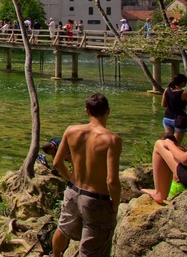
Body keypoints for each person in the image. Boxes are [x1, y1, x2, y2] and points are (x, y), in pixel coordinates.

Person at [52, 93, 122, 257]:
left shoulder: (71, 131)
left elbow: (57, 162)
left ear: (87, 111)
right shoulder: (112, 140)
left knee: (63, 229)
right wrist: (115, 203)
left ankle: (55, 255)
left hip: (73, 191)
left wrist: (70, 177)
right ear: (108, 111)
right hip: (95, 199)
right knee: (93, 244)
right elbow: (112, 180)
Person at [161, 74, 187, 145]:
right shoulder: (184, 93)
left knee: (168, 143)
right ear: (183, 82)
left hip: (167, 118)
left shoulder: (167, 90)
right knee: (176, 144)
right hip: (179, 120)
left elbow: (163, 105)